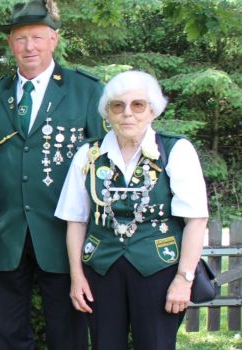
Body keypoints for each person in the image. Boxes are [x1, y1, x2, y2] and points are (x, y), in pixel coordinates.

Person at [0, 1, 105, 348]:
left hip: (63, 231)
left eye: (37, 37)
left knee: (68, 332)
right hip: (6, 233)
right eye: (20, 39)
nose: (29, 47)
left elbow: (101, 165)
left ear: (54, 40)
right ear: (10, 45)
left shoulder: (86, 91)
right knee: (5, 333)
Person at [55, 70, 208, 349]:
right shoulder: (88, 155)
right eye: (118, 106)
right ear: (107, 113)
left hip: (159, 270)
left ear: (153, 110)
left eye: (138, 105)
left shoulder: (176, 150)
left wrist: (183, 280)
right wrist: (77, 278)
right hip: (101, 270)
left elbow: (196, 220)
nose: (128, 113)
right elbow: (75, 221)